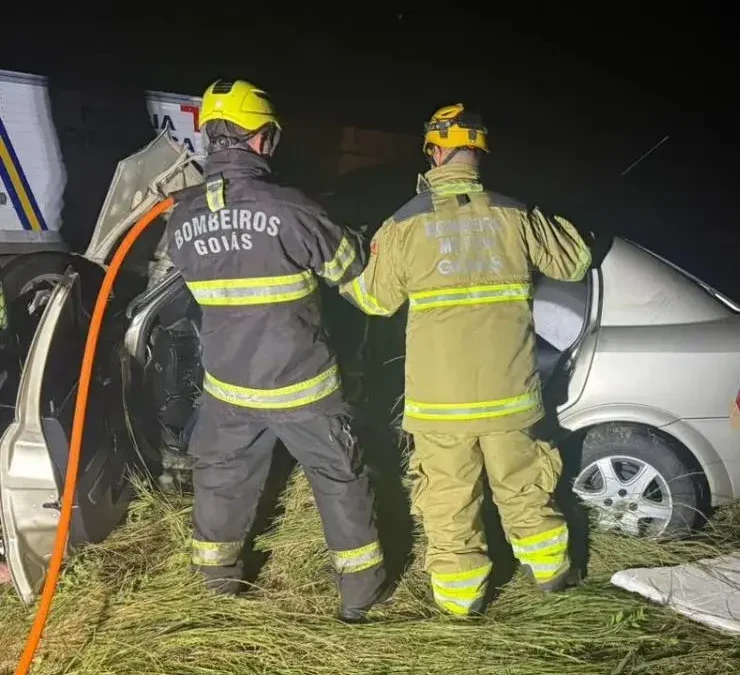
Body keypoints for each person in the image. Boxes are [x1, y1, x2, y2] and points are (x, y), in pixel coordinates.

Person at [341, 103, 591, 616]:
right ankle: (553, 577)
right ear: (480, 152)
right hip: (510, 392)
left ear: (433, 152)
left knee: (448, 502)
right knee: (525, 488)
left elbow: (374, 301)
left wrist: (355, 263)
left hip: (440, 403)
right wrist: (541, 210)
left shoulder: (404, 224)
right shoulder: (515, 213)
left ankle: (460, 606)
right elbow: (576, 260)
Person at [164, 79, 389, 622]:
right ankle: (359, 596)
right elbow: (364, 290)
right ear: (261, 139)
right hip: (301, 382)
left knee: (220, 479)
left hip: (228, 385)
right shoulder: (291, 208)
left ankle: (216, 587)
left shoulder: (182, 216)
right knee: (339, 478)